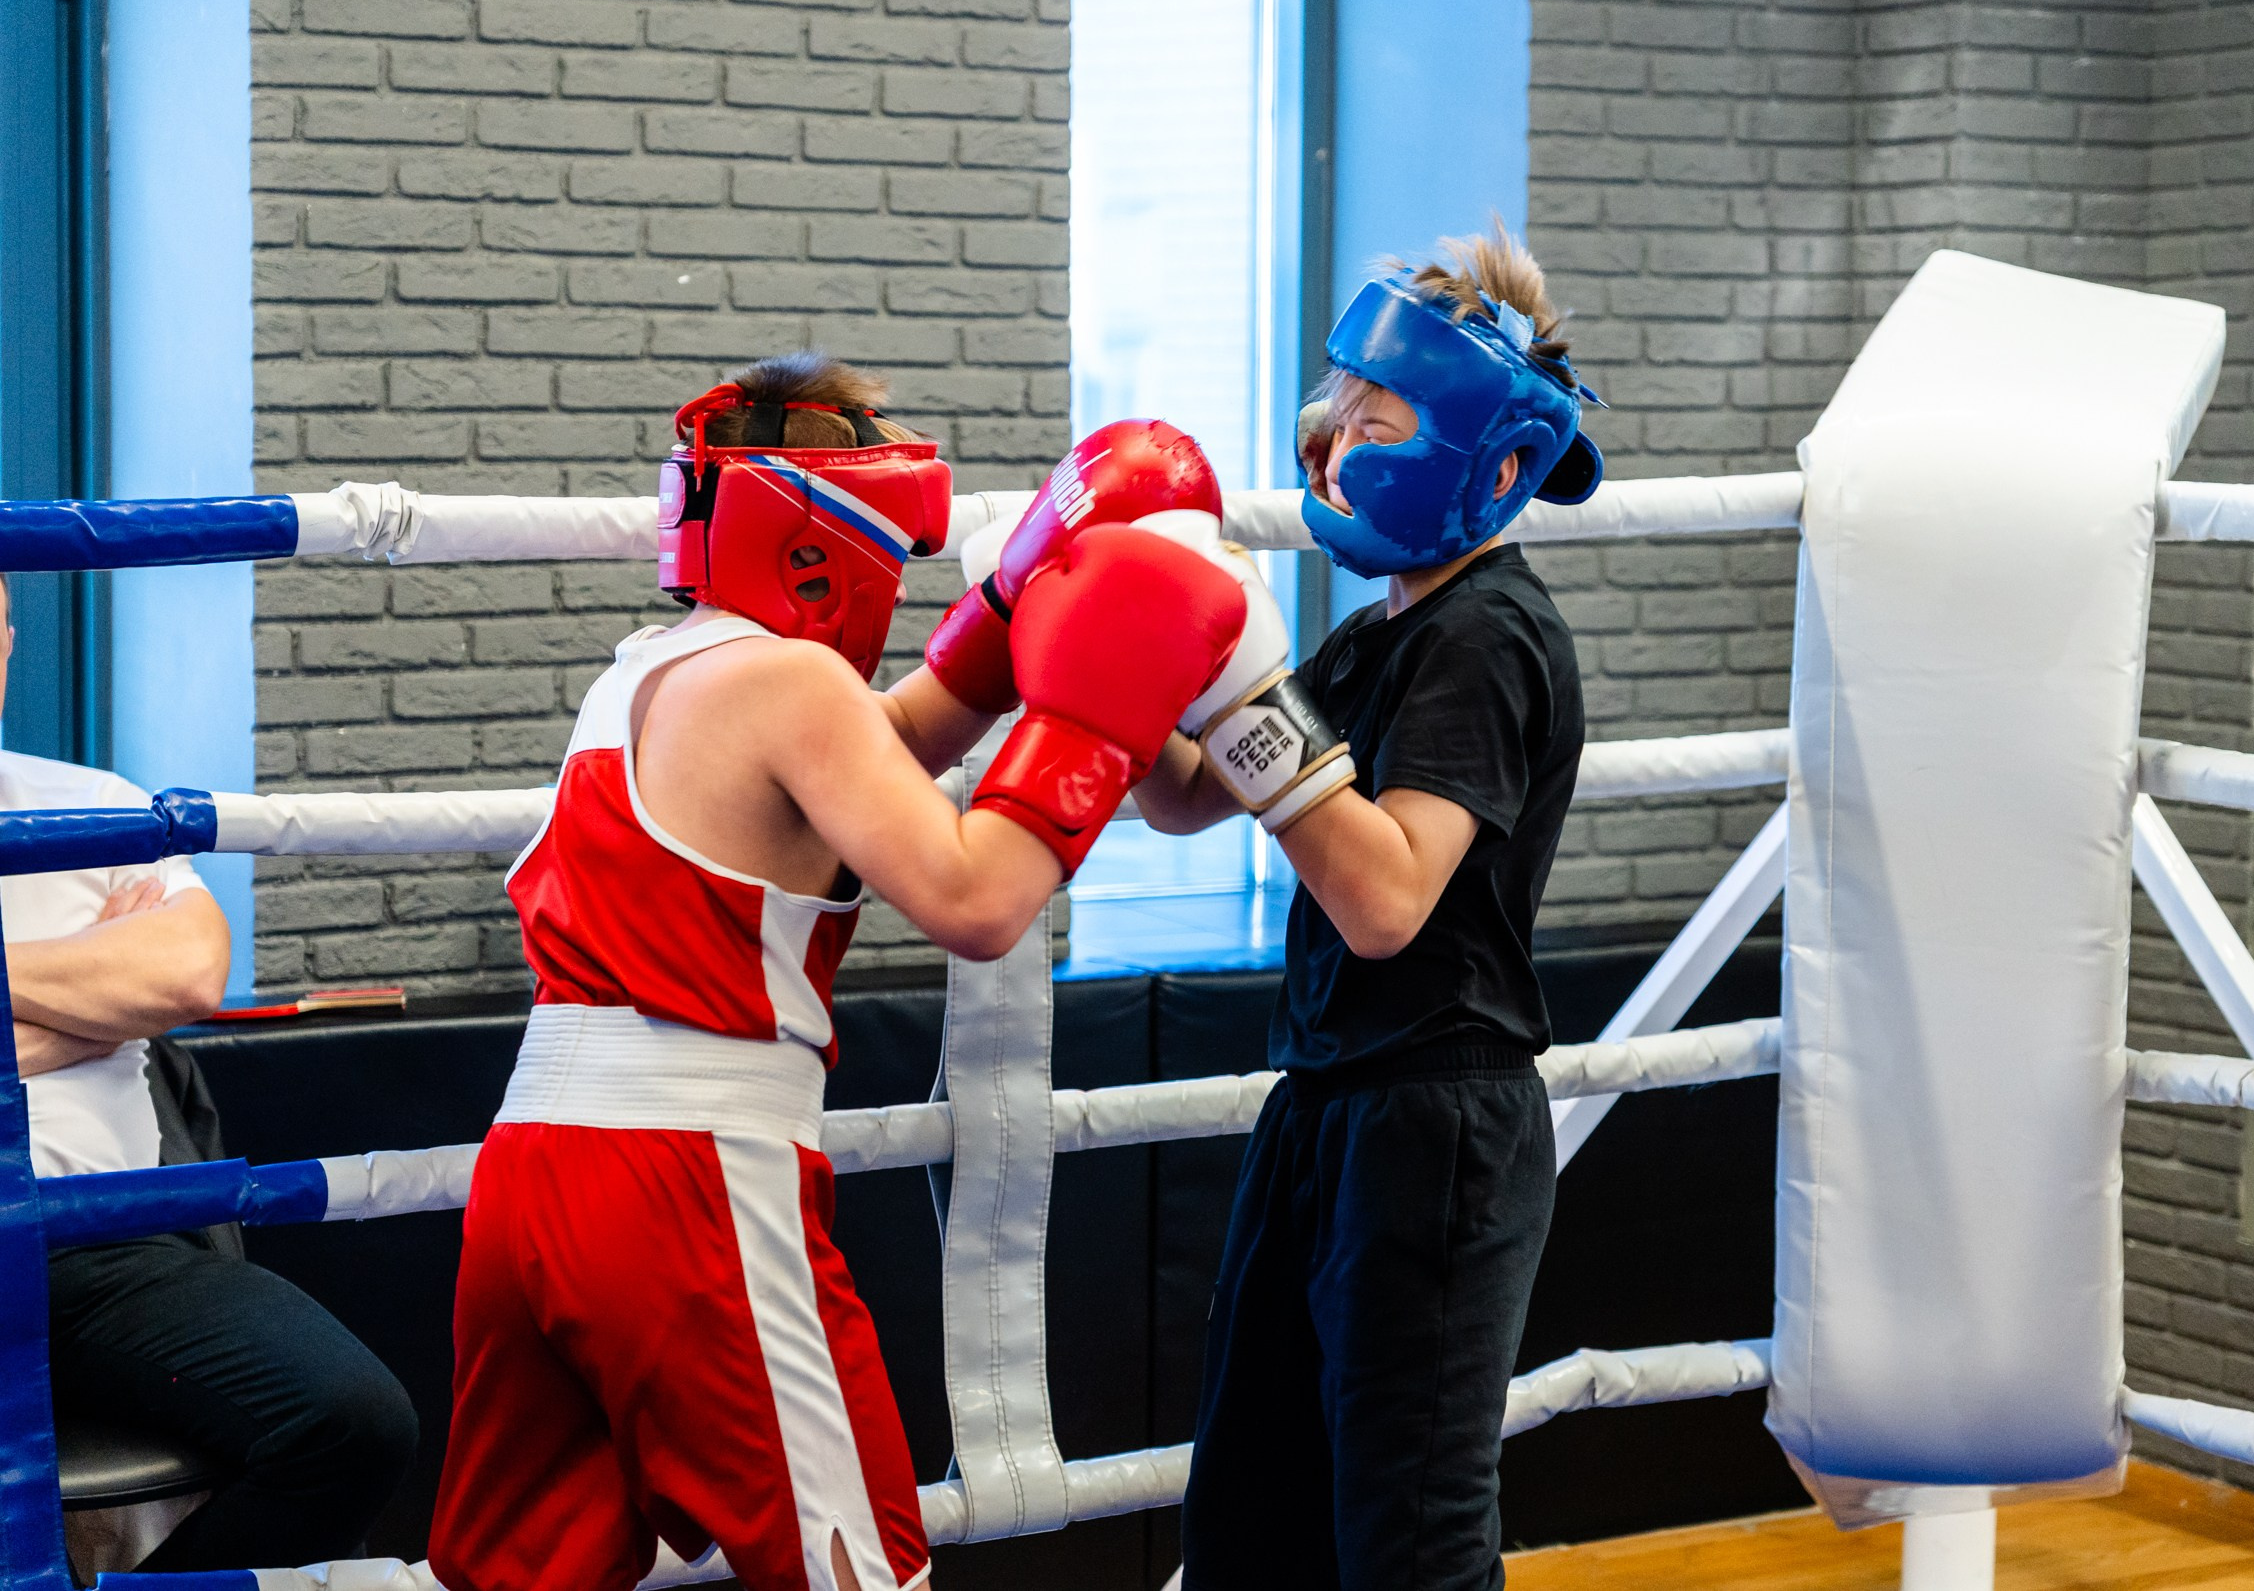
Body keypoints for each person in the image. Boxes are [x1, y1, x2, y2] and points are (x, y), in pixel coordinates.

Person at [429, 354, 1245, 1591]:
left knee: (522, 1572)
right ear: (826, 528)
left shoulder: (646, 670)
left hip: (536, 1172)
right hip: (688, 1176)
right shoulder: (798, 683)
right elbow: (977, 900)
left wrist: (1010, 612)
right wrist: (1103, 697)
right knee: (854, 1570)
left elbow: (891, 743)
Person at [1133, 230, 1603, 1590]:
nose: (1334, 436)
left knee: (1406, 1530)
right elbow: (1184, 797)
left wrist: (1238, 695)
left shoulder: (1487, 634)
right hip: (1331, 1105)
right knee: (1253, 1507)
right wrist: (1093, 655)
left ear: (1489, 456)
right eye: (1339, 398)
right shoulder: (1381, 632)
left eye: (1374, 412)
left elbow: (1387, 891)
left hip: (1436, 1119)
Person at [0, 575, 419, 1570]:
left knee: (353, 1421)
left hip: (96, 1248)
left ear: (10, 639)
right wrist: (84, 1019)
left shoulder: (91, 807)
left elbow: (187, 971)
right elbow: (139, 989)